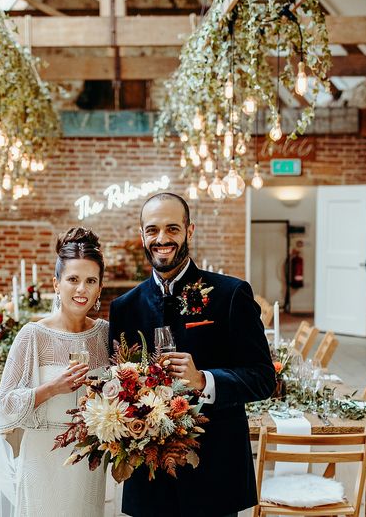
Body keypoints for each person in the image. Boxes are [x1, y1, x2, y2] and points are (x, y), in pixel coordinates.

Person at [108, 192, 275, 517]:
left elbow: (264, 379)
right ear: (142, 235)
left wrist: (204, 380)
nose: (162, 239)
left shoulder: (230, 295)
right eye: (153, 230)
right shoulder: (124, 308)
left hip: (214, 475)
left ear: (189, 231)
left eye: (172, 228)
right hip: (150, 480)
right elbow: (117, 388)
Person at [0, 227, 109, 517]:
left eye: (90, 281)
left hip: (90, 462)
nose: (81, 289)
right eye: (72, 279)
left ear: (100, 288)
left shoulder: (105, 335)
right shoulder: (32, 336)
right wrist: (52, 388)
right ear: (56, 284)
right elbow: (5, 406)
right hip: (43, 458)